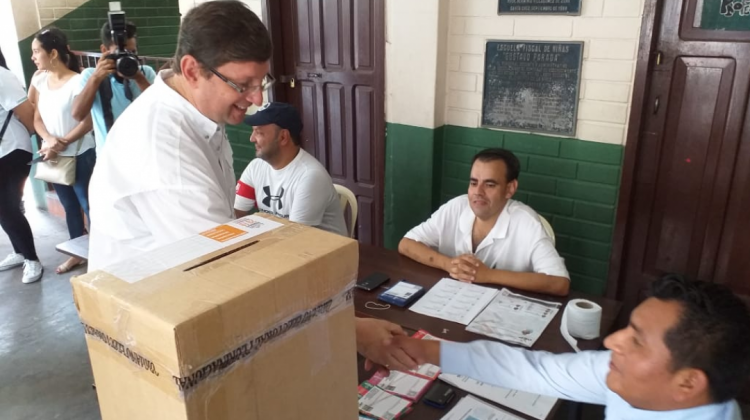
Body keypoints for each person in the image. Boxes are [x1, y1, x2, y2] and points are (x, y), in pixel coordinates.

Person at [86, 1, 412, 370]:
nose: (257, 98)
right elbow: (224, 272)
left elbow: (226, 237)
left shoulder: (197, 112)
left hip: (178, 297)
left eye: (261, 82)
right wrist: (350, 330)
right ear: (192, 69)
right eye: (242, 85)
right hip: (145, 331)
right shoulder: (168, 151)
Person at [394, 275, 750, 419]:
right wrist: (424, 351)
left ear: (688, 383)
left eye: (637, 340)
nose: (612, 341)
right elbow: (535, 370)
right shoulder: (638, 380)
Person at [398, 148, 570, 296]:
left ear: (510, 189)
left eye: (489, 185)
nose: (478, 192)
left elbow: (559, 283)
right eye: (474, 183)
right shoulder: (456, 207)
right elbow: (406, 244)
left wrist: (487, 275)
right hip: (454, 299)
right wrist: (449, 264)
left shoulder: (527, 223)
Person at [29, 28, 96, 275]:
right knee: (69, 207)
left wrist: (64, 141)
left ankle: (102, 253)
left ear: (53, 53)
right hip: (53, 155)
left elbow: (87, 121)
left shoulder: (79, 81)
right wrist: (49, 140)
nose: (33, 57)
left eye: (37, 51)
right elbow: (37, 118)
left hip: (80, 153)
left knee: (89, 205)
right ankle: (77, 254)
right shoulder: (39, 80)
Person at [234, 102, 347, 236]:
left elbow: (295, 237)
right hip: (282, 245)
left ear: (283, 137)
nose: (252, 139)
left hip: (324, 252)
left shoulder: (311, 176)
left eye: (259, 133)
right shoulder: (256, 167)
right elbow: (236, 214)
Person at [71, 21, 156, 151]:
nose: (128, 57)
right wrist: (96, 78)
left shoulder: (145, 73)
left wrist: (138, 77)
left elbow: (159, 108)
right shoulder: (90, 76)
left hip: (143, 155)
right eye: (121, 53)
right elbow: (78, 115)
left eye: (132, 52)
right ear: (104, 51)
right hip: (108, 160)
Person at [0, 48, 43, 283]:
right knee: (5, 209)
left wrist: (31, 138)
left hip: (12, 149)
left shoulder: (2, 76)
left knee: (7, 208)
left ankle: (32, 259)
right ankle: (19, 252)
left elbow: (27, 113)